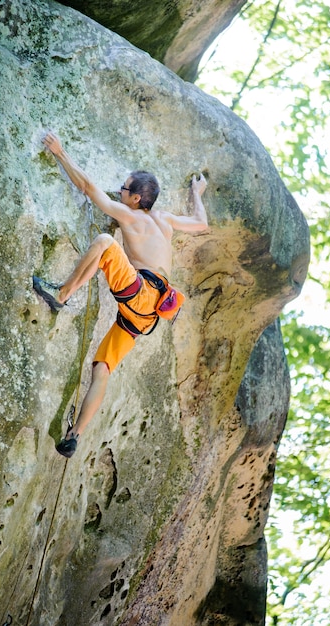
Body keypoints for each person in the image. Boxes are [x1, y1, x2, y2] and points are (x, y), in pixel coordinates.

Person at [34, 131, 209, 458]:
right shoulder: (166, 220)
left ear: (136, 199)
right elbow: (201, 223)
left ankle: (61, 294)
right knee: (103, 367)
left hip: (141, 291)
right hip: (146, 316)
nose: (119, 191)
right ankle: (75, 434)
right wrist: (197, 192)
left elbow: (87, 187)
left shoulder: (130, 215)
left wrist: (60, 152)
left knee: (104, 242)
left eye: (124, 189)